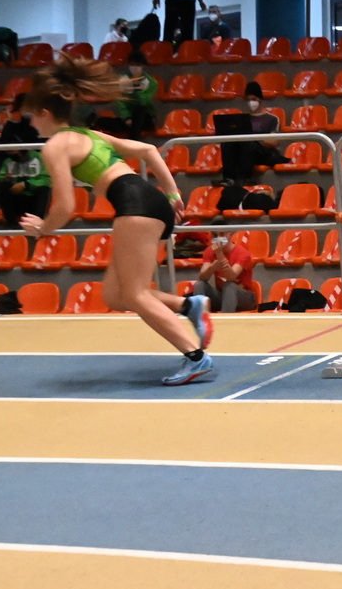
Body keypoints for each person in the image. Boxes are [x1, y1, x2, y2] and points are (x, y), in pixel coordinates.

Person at [17, 56, 215, 383]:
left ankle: (196, 357)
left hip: (134, 206)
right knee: (116, 295)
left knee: (136, 294)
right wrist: (172, 194)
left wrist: (41, 229)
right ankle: (188, 306)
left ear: (45, 113)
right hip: (149, 199)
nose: (32, 125)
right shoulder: (89, 135)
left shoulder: (54, 147)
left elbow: (65, 206)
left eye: (31, 117)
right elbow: (148, 151)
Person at [219, 82, 283, 182]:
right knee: (227, 143)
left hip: (265, 153)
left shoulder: (272, 119)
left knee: (248, 143)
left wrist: (254, 138)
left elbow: (274, 142)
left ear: (260, 99)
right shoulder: (242, 119)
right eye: (248, 100)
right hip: (245, 151)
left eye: (254, 99)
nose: (251, 102)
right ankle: (228, 179)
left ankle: (244, 179)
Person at [193, 234, 260, 314]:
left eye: (221, 234)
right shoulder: (209, 251)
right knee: (200, 285)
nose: (218, 238)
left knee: (229, 286)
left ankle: (225, 319)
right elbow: (202, 277)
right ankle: (201, 318)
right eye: (215, 235)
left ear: (229, 234)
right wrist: (212, 268)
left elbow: (231, 277)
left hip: (245, 298)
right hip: (222, 296)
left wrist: (219, 254)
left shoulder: (242, 253)